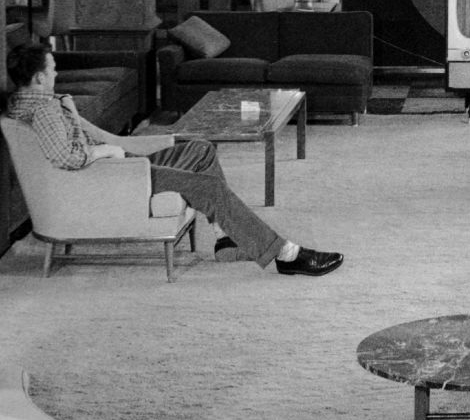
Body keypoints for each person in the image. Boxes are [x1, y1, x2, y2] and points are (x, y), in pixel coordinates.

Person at [4, 42, 344, 277]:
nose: (56, 74)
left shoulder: (36, 103)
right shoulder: (44, 111)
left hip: (119, 164)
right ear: (37, 78)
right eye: (51, 70)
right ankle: (285, 254)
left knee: (199, 148)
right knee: (207, 188)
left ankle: (226, 239)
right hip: (117, 178)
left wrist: (149, 142)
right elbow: (69, 158)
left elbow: (107, 139)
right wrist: (109, 153)